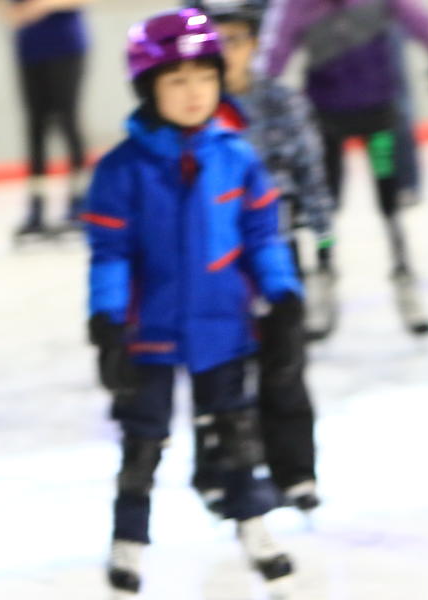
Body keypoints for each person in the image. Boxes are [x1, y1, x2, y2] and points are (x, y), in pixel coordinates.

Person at [82, 9, 301, 596]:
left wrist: (284, 298)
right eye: (177, 81)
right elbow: (110, 253)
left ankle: (253, 527)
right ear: (148, 88)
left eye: (204, 77)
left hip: (222, 322)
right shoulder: (121, 170)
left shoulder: (237, 157)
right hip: (149, 328)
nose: (194, 92)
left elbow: (262, 237)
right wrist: (107, 322)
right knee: (143, 437)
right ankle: (128, 540)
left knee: (236, 430)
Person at [187, 0, 327, 514]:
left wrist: (325, 243)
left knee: (285, 359)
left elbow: (310, 171)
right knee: (217, 364)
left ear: (253, 44)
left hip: (276, 249)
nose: (228, 52)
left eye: (237, 40)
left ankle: (295, 470)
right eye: (217, 42)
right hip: (213, 257)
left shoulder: (280, 102)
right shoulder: (192, 109)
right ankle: (217, 470)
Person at [257, 0, 428, 337]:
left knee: (390, 204)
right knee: (325, 206)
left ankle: (404, 275)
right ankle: (324, 274)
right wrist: (257, 94)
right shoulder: (297, 4)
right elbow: (274, 51)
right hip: (326, 120)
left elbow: (418, 18)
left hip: (378, 115)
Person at [0, 0, 93, 241]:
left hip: (65, 44)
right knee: (36, 127)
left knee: (68, 121)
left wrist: (42, 6)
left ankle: (79, 200)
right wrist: (5, 12)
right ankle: (37, 205)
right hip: (30, 48)